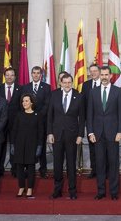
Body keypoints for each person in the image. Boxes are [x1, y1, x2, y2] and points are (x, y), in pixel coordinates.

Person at [86, 65, 121, 200]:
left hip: (113, 134)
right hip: (97, 134)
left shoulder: (117, 91)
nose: (103, 77)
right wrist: (90, 132)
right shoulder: (93, 92)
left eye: (105, 75)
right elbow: (89, 113)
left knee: (113, 164)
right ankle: (101, 191)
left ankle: (114, 192)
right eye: (101, 75)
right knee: (100, 163)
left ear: (110, 76)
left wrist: (120, 131)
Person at [48, 72, 85, 200]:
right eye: (65, 82)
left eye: (70, 82)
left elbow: (82, 118)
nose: (67, 84)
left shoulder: (78, 96)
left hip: (72, 136)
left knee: (71, 164)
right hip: (57, 135)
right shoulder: (54, 95)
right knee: (57, 164)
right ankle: (57, 190)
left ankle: (72, 190)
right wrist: (50, 133)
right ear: (61, 83)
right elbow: (49, 116)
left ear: (72, 83)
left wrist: (81, 135)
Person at [12, 93, 44, 198]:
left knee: (31, 168)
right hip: (19, 145)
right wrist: (12, 144)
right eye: (23, 101)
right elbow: (14, 131)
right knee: (20, 168)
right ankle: (21, 187)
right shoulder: (18, 115)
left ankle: (30, 188)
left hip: (32, 145)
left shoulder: (37, 115)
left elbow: (40, 132)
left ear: (31, 102)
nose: (24, 103)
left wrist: (39, 146)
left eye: (26, 101)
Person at [21, 65, 51, 178]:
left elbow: (47, 104)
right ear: (31, 74)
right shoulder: (26, 87)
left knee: (41, 145)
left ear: (41, 75)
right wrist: (30, 115)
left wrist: (37, 115)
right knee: (28, 145)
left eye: (38, 73)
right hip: (28, 122)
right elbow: (23, 103)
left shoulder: (47, 87)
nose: (36, 75)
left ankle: (43, 169)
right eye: (34, 73)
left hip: (41, 121)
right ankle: (28, 169)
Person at [0, 67, 21, 177]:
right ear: (4, 76)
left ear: (15, 77)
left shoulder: (20, 89)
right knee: (1, 146)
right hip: (1, 124)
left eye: (11, 75)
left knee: (15, 146)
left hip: (15, 123)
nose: (9, 77)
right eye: (7, 75)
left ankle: (15, 169)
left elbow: (22, 106)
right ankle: (0, 168)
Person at [81, 63, 101, 177]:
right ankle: (94, 169)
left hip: (103, 122)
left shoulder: (105, 85)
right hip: (90, 122)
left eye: (95, 71)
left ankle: (104, 170)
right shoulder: (86, 85)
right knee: (92, 146)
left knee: (103, 148)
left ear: (99, 72)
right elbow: (83, 104)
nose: (93, 73)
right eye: (91, 71)